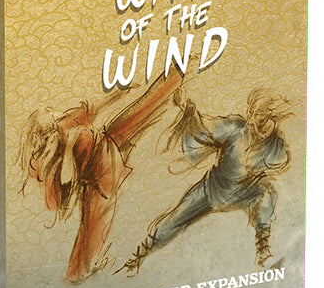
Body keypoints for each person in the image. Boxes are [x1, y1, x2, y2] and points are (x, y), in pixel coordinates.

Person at [20, 66, 183, 283]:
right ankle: (77, 276)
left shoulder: (62, 125)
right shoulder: (45, 159)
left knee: (144, 106)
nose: (57, 114)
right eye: (52, 117)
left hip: (107, 141)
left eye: (53, 114)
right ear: (46, 136)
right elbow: (63, 185)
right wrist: (67, 152)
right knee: (93, 229)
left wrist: (119, 93)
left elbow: (92, 109)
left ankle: (177, 73)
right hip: (100, 176)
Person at [120, 84, 293, 275]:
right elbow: (206, 126)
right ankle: (137, 258)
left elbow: (281, 160)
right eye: (251, 111)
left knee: (267, 192)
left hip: (244, 193)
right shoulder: (236, 127)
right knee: (174, 218)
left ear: (270, 115)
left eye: (258, 114)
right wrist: (187, 107)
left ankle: (264, 254)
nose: (252, 117)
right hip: (212, 189)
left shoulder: (277, 143)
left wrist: (259, 164)